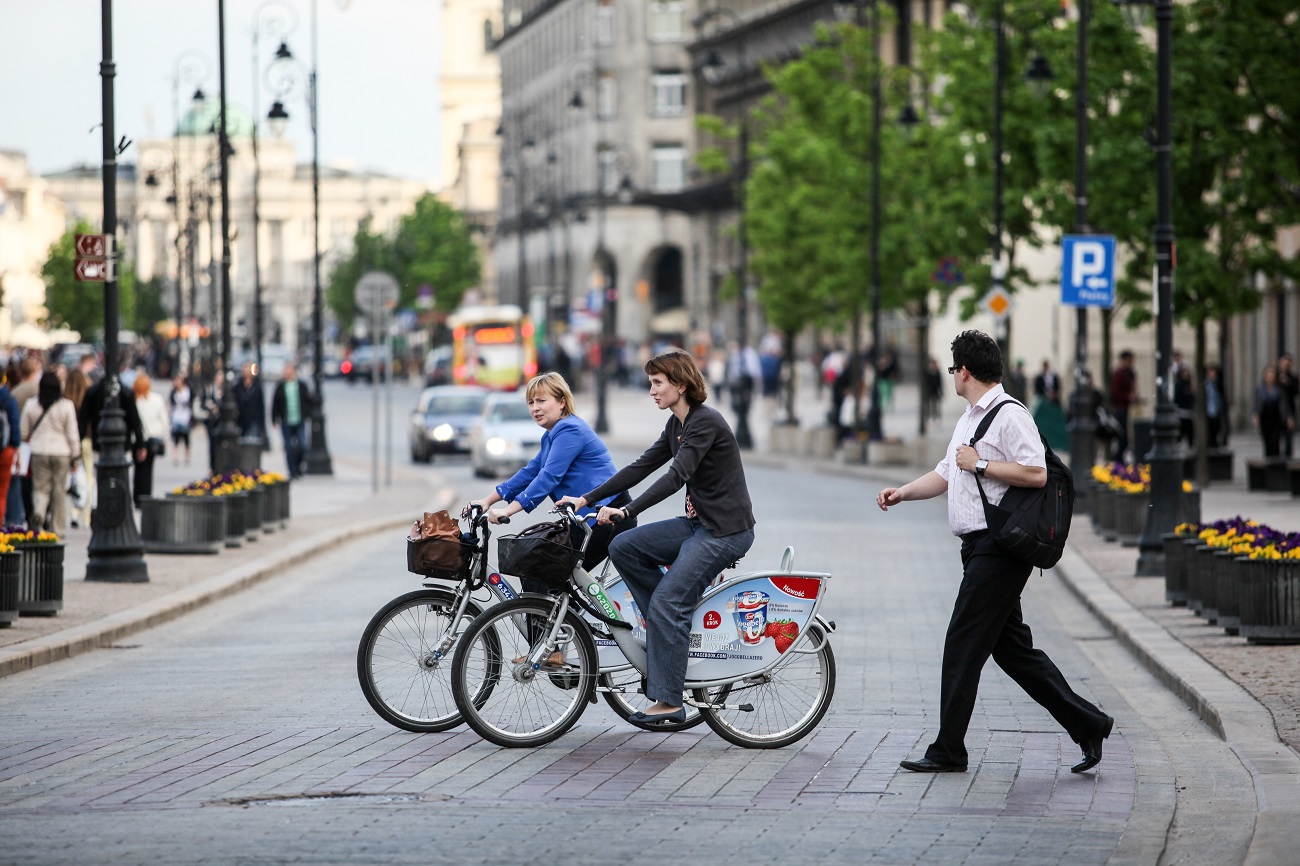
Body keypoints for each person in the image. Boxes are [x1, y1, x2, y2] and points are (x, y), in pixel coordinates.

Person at [876, 330, 1112, 774]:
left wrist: (981, 464)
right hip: (978, 548)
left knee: (962, 643)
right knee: (1014, 652)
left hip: (999, 549)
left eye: (953, 369)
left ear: (963, 371)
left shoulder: (1010, 415)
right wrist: (903, 493)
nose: (952, 376)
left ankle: (948, 749)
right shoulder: (968, 419)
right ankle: (1089, 723)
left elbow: (1037, 473)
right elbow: (948, 471)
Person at [560, 348, 756, 729]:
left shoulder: (705, 423)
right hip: (700, 526)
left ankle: (669, 700)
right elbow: (641, 467)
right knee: (623, 546)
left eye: (657, 382)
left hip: (726, 532)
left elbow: (675, 476)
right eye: (651, 382)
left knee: (668, 598)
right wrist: (587, 498)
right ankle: (667, 624)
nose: (651, 390)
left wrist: (628, 511)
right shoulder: (677, 425)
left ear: (680, 385)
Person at [466, 372, 635, 599]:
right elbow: (530, 472)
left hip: (607, 518)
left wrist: (509, 510)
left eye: (542, 401)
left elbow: (548, 478)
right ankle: (551, 630)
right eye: (531, 402)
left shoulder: (570, 430)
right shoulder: (551, 436)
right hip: (585, 520)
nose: (535, 408)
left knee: (549, 576)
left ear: (562, 401)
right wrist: (487, 501)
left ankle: (567, 629)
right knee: (534, 569)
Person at [22, 372, 80, 534]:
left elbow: (23, 431)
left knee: (40, 489)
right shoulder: (66, 406)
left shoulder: (31, 405)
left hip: (38, 450)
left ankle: (39, 516)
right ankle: (57, 527)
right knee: (59, 491)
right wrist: (75, 455)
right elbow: (72, 433)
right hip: (61, 452)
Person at [62, 369, 93, 529]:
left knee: (70, 478)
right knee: (87, 478)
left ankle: (73, 512)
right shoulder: (88, 395)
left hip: (67, 442)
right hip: (86, 440)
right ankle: (86, 514)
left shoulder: (65, 397)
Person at [270, 363, 312, 479]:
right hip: (286, 421)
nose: (287, 372)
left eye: (289, 370)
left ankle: (299, 466)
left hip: (299, 420)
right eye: (285, 370)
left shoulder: (301, 385)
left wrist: (308, 414)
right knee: (288, 447)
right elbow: (275, 404)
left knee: (302, 445)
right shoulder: (280, 386)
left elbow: (308, 401)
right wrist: (274, 419)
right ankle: (292, 471)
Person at [133, 375, 170, 506]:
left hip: (137, 439)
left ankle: (137, 497)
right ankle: (146, 496)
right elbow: (164, 420)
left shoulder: (135, 400)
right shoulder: (157, 399)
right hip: (153, 438)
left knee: (138, 469)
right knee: (148, 469)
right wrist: (165, 438)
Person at [1252, 365, 1291, 458]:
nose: (1270, 378)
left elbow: (1284, 405)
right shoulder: (1260, 390)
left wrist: (1288, 418)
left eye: (1272, 376)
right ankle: (1268, 462)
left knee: (1275, 441)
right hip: (1265, 419)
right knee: (1267, 442)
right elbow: (1256, 404)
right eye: (1268, 376)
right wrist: (1255, 416)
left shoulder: (1279, 390)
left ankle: (1276, 462)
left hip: (1276, 419)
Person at [1109, 350, 1138, 463]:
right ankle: (1118, 461)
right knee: (1122, 437)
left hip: (1126, 408)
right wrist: (1128, 397)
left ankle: (1120, 460)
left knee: (1125, 437)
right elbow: (1116, 392)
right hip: (1120, 408)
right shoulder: (1119, 373)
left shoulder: (1129, 373)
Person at [232, 362, 266, 442]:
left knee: (253, 442)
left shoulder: (257, 386)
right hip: (240, 419)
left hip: (254, 419)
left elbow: (260, 405)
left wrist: (262, 423)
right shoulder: (238, 386)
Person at [168, 374, 194, 466]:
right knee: (176, 439)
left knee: (186, 439)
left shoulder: (188, 390)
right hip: (176, 417)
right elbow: (171, 401)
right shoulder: (174, 392)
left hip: (185, 417)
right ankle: (176, 457)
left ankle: (187, 457)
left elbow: (192, 400)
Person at [1277, 353, 1298, 458]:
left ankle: (1288, 457)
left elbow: (1296, 391)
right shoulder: (1275, 377)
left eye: (1288, 364)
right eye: (1284, 363)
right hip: (1276, 411)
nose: (1285, 366)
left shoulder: (1293, 378)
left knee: (1289, 436)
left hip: (1289, 411)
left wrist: (1287, 382)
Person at [1204, 365, 1226, 448]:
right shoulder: (1205, 385)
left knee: (1216, 430)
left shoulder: (1218, 385)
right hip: (1208, 411)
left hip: (1216, 411)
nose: (1212, 377)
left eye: (1213, 375)